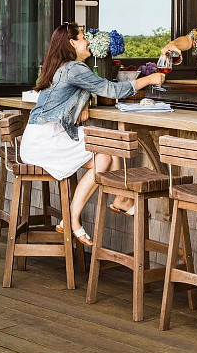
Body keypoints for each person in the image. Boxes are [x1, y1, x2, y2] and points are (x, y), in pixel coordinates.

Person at [21, 22, 166, 246]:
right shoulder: (74, 69)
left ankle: (119, 198)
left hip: (40, 136)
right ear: (72, 43)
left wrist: (85, 101)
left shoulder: (62, 66)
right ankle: (73, 218)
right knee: (105, 151)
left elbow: (76, 91)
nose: (87, 41)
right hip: (46, 139)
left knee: (107, 143)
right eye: (82, 37)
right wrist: (149, 79)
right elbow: (111, 90)